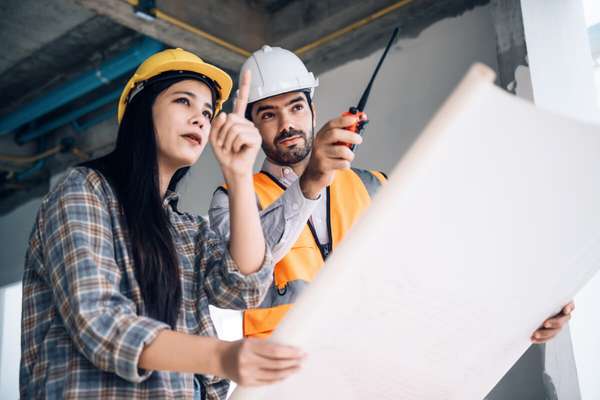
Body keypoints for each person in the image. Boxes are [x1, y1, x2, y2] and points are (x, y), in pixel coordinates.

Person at [209, 45, 575, 343]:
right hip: (287, 384)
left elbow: (437, 270)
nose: (287, 123)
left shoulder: (373, 186)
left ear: (313, 109)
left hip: (376, 369)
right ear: (253, 126)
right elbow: (241, 278)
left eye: (296, 106)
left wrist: (527, 307)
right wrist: (311, 184)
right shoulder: (233, 199)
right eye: (268, 114)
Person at [20, 48, 303, 400]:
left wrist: (240, 173)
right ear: (142, 110)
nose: (201, 119)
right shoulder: (84, 190)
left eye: (207, 111)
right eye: (183, 102)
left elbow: (242, 289)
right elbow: (99, 320)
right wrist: (222, 357)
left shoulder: (188, 229)